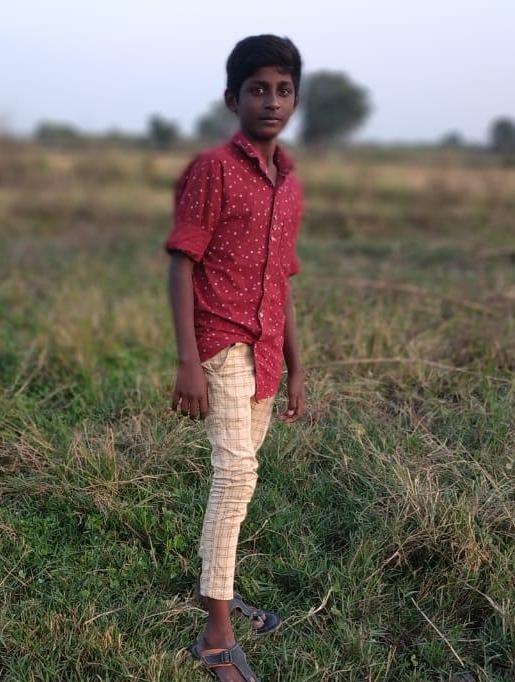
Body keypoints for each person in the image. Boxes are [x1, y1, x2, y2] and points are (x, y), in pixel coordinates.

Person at [163, 34, 305, 681]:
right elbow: (181, 263)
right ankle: (216, 634)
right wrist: (187, 361)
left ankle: (216, 589)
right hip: (221, 345)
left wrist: (298, 365)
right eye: (257, 89)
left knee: (239, 480)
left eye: (282, 90)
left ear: (294, 100)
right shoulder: (213, 170)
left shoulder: (289, 184)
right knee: (236, 476)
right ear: (232, 99)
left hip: (268, 350)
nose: (270, 101)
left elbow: (283, 281)